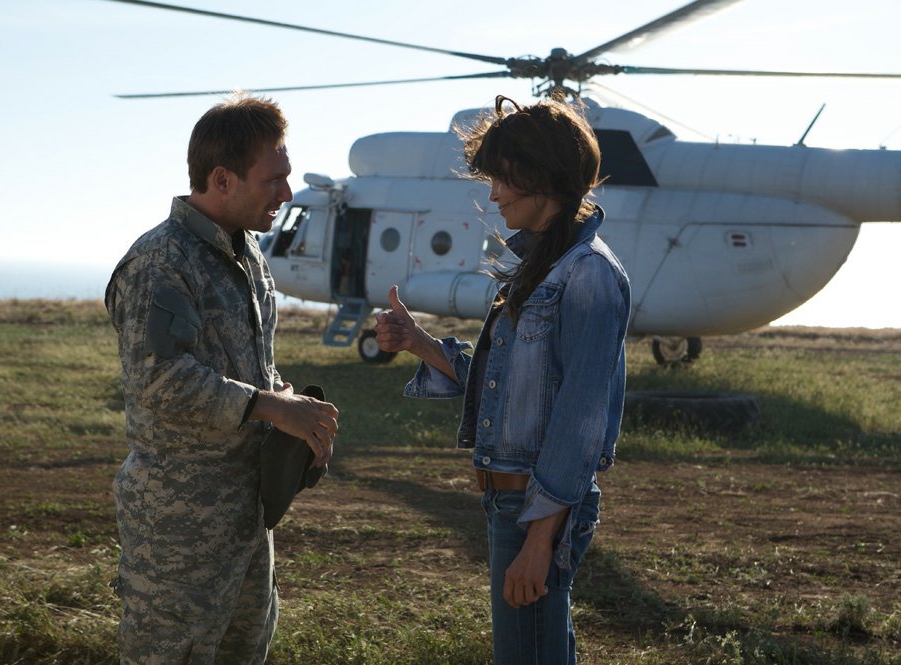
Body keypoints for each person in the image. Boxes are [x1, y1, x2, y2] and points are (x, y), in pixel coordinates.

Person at [374, 94, 631, 665]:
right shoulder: (543, 267)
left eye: (502, 179)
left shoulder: (588, 275)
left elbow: (580, 419)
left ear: (541, 176)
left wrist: (539, 538)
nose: (493, 195)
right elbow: (510, 389)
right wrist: (420, 343)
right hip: (511, 504)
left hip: (535, 510)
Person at [105, 94, 339, 665]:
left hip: (247, 515)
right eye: (273, 180)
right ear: (222, 179)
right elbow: (159, 380)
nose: (286, 193)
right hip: (180, 529)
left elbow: (253, 369)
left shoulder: (247, 252)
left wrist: (297, 421)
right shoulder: (161, 261)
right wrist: (271, 407)